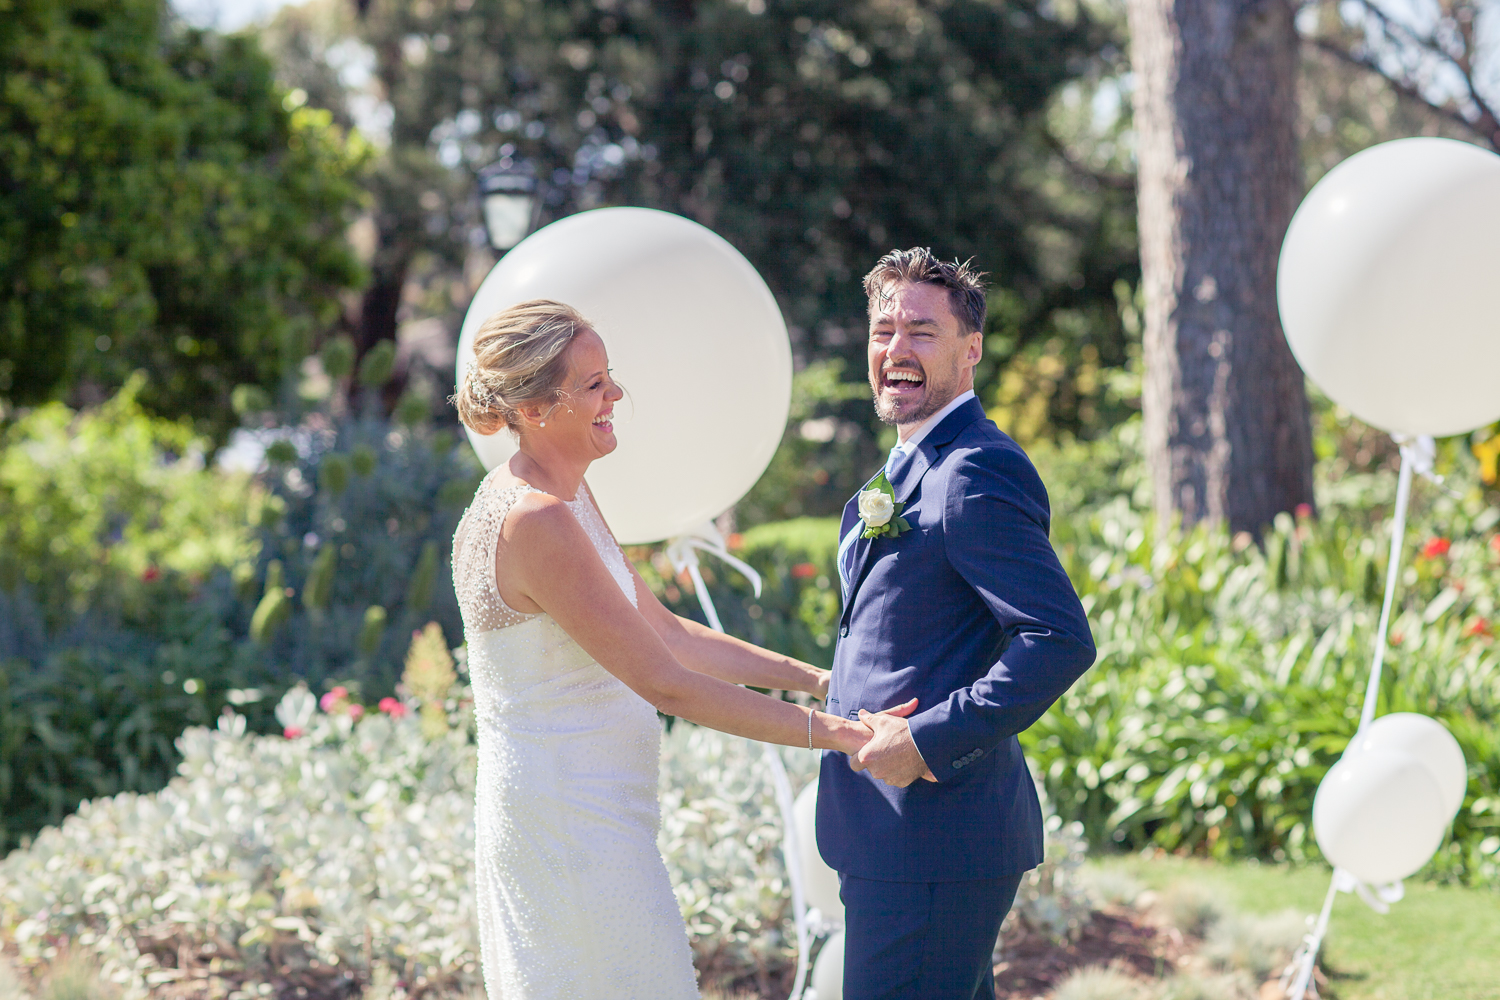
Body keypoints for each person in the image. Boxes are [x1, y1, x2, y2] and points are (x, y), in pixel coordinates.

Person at [449, 299, 912, 1000]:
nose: (617, 394)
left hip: (597, 817)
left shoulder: (562, 495)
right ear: (536, 408)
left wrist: (823, 679)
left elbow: (665, 631)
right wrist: (846, 735)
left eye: (610, 375)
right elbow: (666, 681)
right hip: (568, 831)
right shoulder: (534, 519)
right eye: (594, 384)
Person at [816, 249, 1097, 1000]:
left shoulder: (973, 469)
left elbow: (1058, 639)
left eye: (922, 331)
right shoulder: (909, 464)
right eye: (883, 331)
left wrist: (926, 741)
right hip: (890, 836)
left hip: (936, 837)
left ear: (971, 350)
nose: (896, 350)